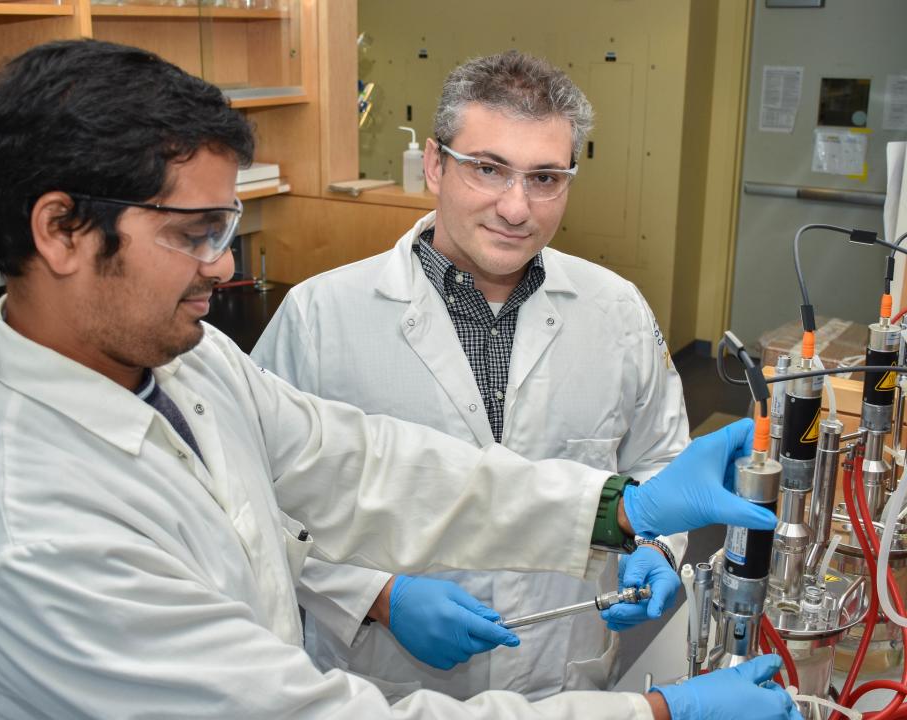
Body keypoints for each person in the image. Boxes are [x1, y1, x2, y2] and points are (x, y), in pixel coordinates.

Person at [0, 39, 799, 720]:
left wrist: (624, 511)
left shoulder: (185, 358)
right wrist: (655, 714)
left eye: (227, 226)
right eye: (194, 233)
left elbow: (368, 467)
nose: (225, 265)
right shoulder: (36, 532)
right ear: (61, 229)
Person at [254, 50, 684, 700]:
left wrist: (658, 550)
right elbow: (258, 501)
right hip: (385, 682)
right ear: (434, 164)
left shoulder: (616, 309)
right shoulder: (320, 316)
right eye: (488, 169)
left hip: (563, 674)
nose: (517, 208)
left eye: (545, 178)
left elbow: (663, 457)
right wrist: (378, 595)